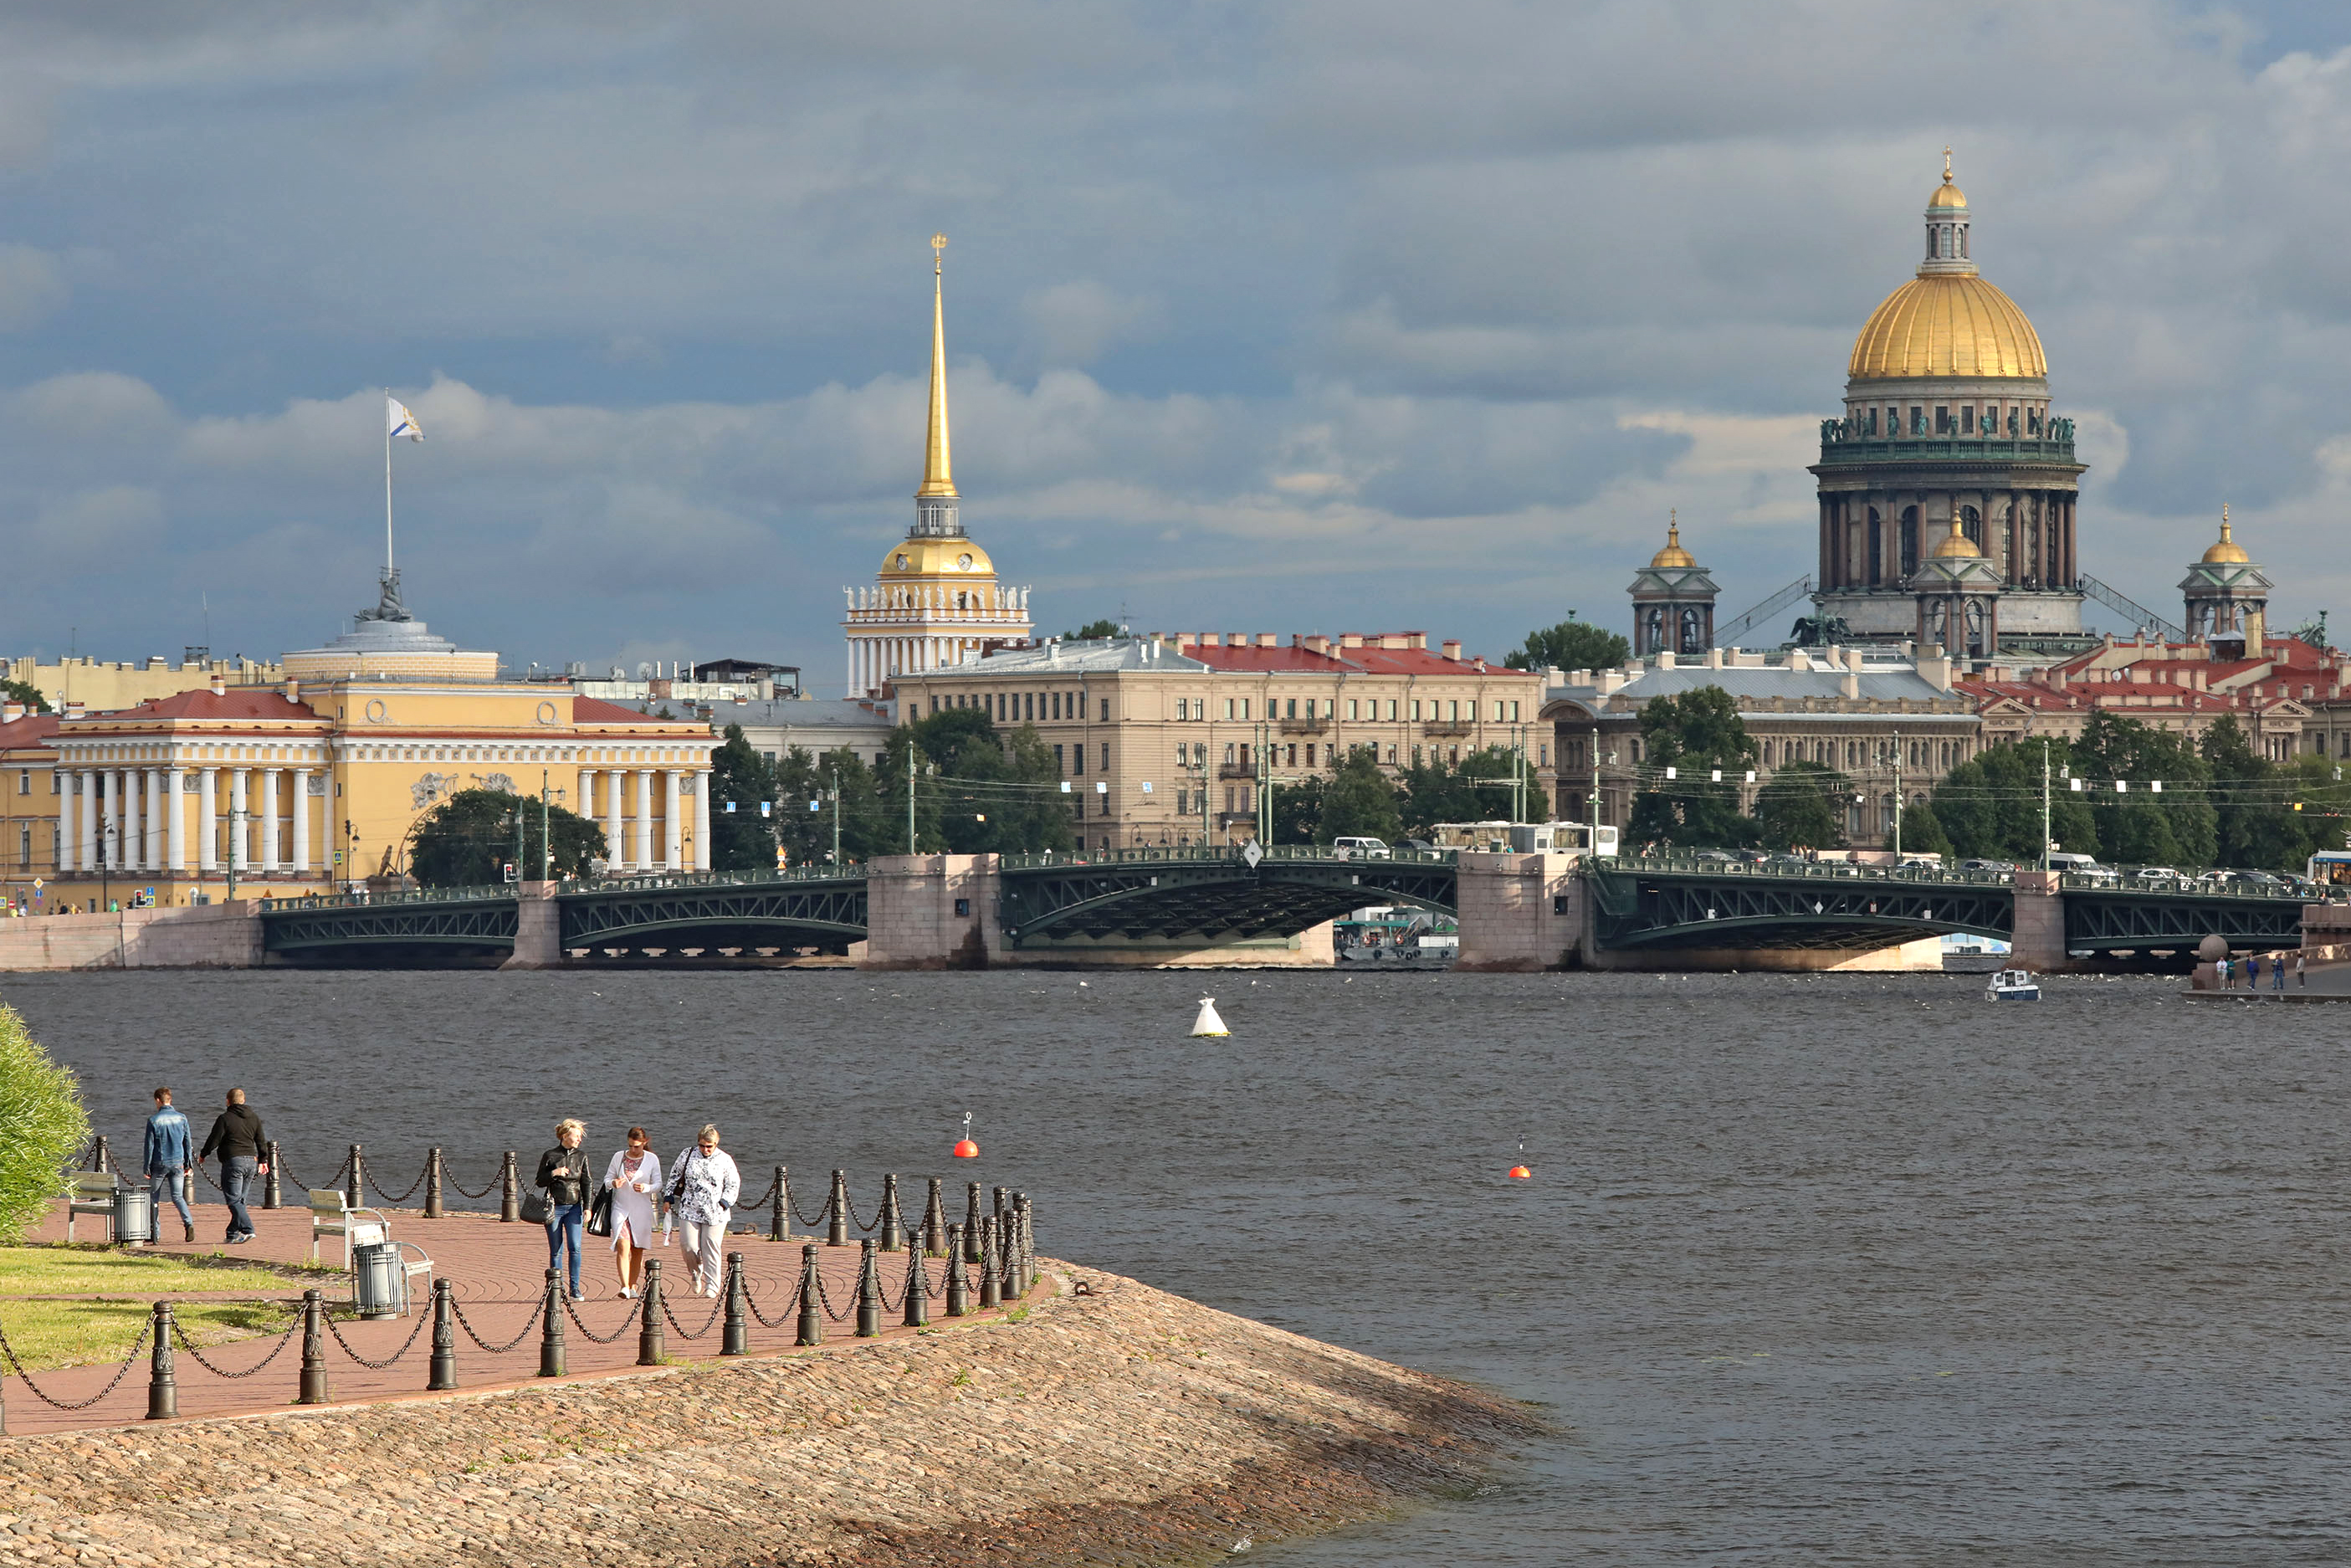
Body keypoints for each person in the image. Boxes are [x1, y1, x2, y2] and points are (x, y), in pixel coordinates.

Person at [664, 1124, 740, 1297]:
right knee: (688, 1246)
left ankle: (712, 1286)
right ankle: (695, 1272)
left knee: (711, 1247)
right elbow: (674, 1175)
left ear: (716, 1144)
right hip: (689, 1207)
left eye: (709, 1146)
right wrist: (668, 1197)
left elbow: (733, 1184)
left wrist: (724, 1203)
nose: (705, 1149)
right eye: (702, 1145)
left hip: (715, 1211)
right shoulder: (687, 1154)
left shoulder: (724, 1159)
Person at [196, 1089, 269, 1244]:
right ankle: (231, 1234)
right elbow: (261, 1141)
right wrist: (263, 1160)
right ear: (243, 1100)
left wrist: (203, 1154)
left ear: (227, 1101)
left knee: (233, 1200)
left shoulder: (225, 1118)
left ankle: (248, 1230)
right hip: (251, 1162)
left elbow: (213, 1139)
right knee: (240, 1200)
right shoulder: (254, 1118)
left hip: (234, 1162)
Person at [535, 1119, 592, 1300]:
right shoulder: (550, 1155)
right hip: (555, 1208)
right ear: (565, 1136)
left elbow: (587, 1183)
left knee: (575, 1247)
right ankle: (556, 1288)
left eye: (580, 1137)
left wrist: (588, 1208)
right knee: (556, 1249)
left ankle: (575, 1288)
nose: (579, 1140)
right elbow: (539, 1181)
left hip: (574, 1208)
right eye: (576, 1136)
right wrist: (554, 1173)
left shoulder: (581, 1156)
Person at [603, 1127, 662, 1299]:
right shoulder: (618, 1156)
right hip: (621, 1208)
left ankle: (632, 1285)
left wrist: (646, 1188)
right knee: (622, 1245)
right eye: (630, 1146)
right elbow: (607, 1179)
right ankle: (624, 1286)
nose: (633, 1150)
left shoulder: (652, 1159)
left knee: (637, 1250)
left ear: (644, 1143)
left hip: (641, 1209)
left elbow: (658, 1184)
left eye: (637, 1146)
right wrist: (613, 1183)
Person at [142, 1087, 193, 1243]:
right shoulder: (182, 1118)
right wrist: (188, 1163)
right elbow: (187, 1142)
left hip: (160, 1163)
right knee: (178, 1197)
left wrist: (147, 1166)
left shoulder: (153, 1120)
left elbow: (149, 1146)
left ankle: (155, 1233)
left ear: (158, 1100)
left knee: (154, 1198)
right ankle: (188, 1223)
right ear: (170, 1100)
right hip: (178, 1163)